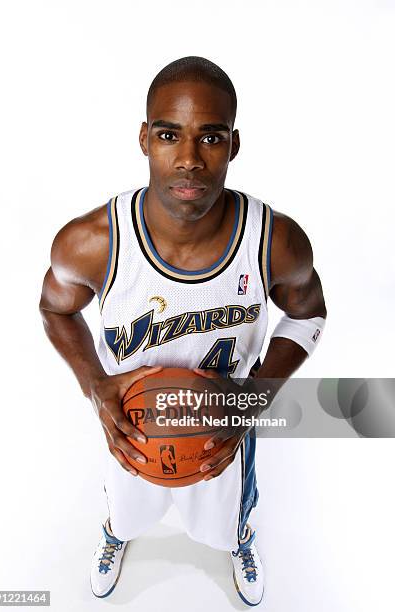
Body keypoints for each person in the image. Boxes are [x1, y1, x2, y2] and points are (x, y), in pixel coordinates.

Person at [39, 56, 327, 607]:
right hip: (132, 418)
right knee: (124, 507)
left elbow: (309, 314)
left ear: (234, 145)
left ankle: (239, 538)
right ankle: (114, 533)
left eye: (211, 138)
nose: (190, 159)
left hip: (223, 421)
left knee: (225, 519)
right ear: (145, 138)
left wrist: (252, 400)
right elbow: (55, 310)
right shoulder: (93, 241)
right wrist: (95, 385)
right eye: (170, 134)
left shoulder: (275, 240)